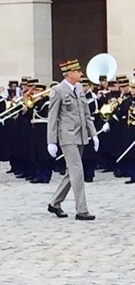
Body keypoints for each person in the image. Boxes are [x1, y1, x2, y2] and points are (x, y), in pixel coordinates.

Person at [47, 59, 99, 220]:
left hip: (81, 134)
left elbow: (86, 114)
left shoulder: (79, 88)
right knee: (78, 171)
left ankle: (55, 203)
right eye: (78, 71)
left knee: (72, 172)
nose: (81, 74)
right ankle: (81, 210)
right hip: (67, 135)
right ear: (70, 74)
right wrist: (51, 141)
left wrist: (94, 134)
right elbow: (52, 117)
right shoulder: (58, 90)